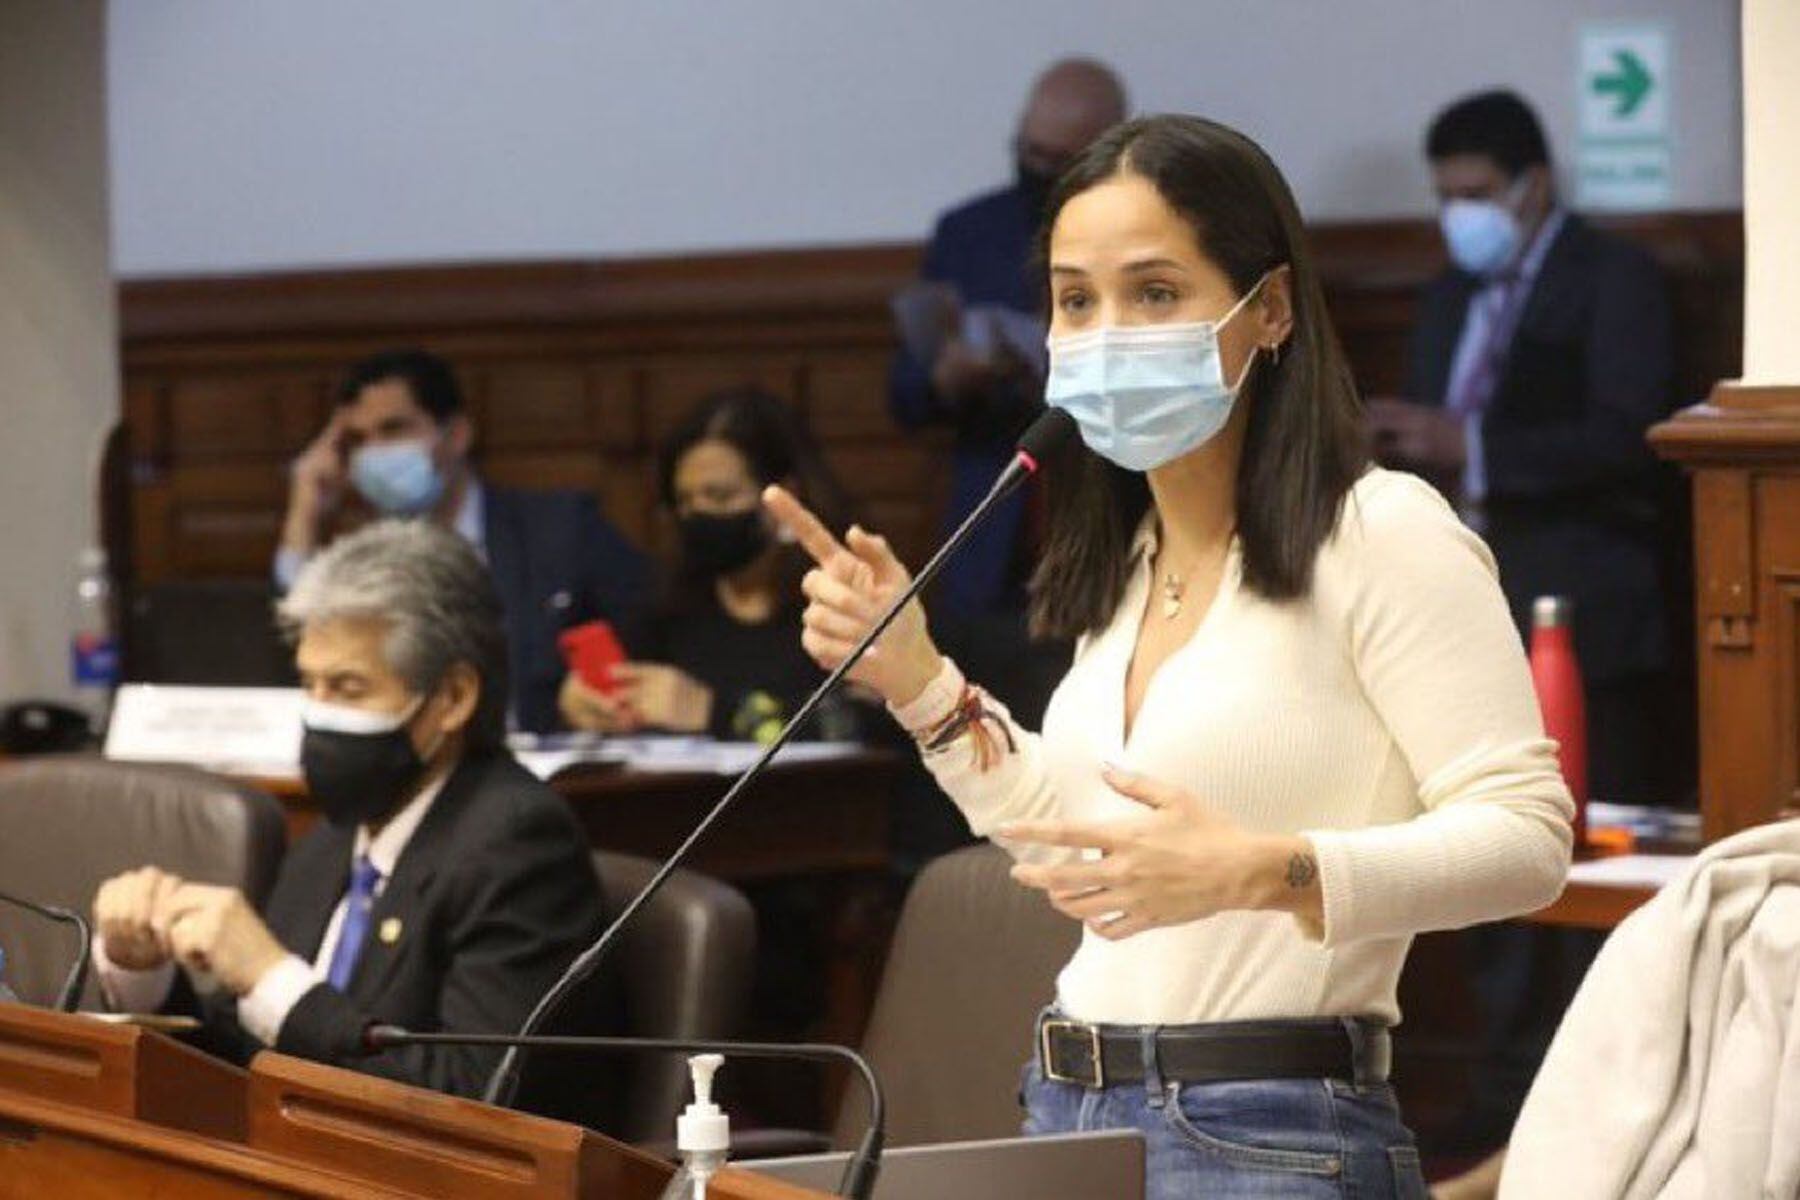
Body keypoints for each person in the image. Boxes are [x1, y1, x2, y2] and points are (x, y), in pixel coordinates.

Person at [768, 114, 1573, 1198]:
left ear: (1270, 309)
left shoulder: (1382, 531)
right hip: (1070, 1105)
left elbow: (1528, 839)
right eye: (1074, 300)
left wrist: (1268, 869)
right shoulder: (1134, 558)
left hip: (1271, 1128)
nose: (1105, 333)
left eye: (1155, 293)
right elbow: (1079, 842)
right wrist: (919, 680)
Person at [92, 521, 611, 1111]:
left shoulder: (517, 841)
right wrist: (146, 976)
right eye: (310, 684)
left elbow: (475, 1096)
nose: (319, 714)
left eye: (349, 688)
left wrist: (270, 978)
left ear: (452, 699)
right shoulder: (336, 837)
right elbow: (247, 1055)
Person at [1367, 89, 1677, 806]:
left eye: (1474, 194)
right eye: (1444, 197)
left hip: (1583, 590)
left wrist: (1469, 445)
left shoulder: (1612, 275)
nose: (1457, 217)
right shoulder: (1448, 294)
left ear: (1532, 183)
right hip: (1457, 599)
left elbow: (1627, 437)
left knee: (1589, 821)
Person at [278, 348, 650, 733]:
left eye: (394, 429)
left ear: (456, 435)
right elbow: (294, 667)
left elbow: (646, 646)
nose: (374, 452)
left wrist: (591, 700)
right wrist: (303, 513)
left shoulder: (559, 530)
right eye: (357, 440)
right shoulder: (361, 561)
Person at [557, 386, 862, 743]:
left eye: (720, 496)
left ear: (784, 497)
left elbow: (861, 723)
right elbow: (621, 689)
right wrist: (584, 703)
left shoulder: (839, 603)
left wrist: (711, 711)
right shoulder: (666, 606)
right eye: (685, 500)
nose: (699, 514)